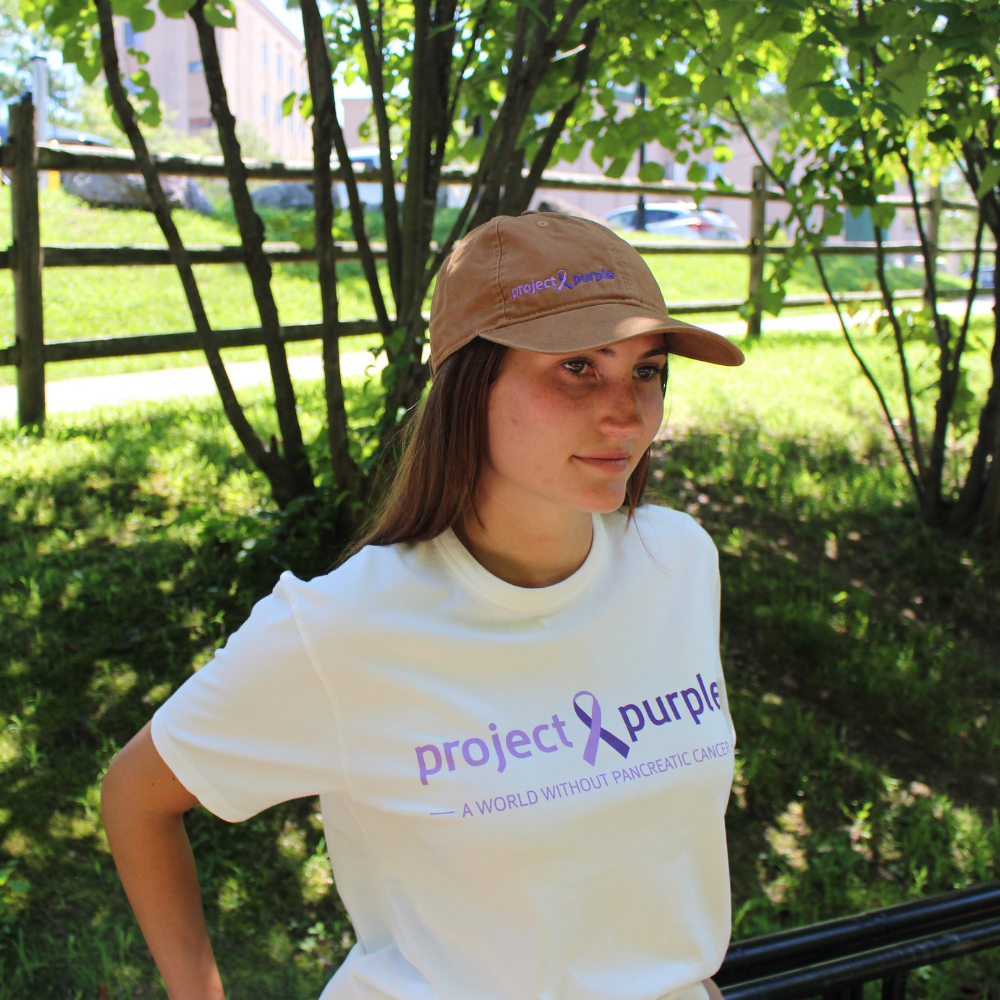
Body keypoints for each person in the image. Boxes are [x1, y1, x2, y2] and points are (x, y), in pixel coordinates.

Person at [101, 212, 745, 1000]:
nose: (628, 412)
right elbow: (137, 798)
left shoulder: (678, 560)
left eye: (648, 370)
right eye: (579, 366)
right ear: (471, 387)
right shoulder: (342, 631)